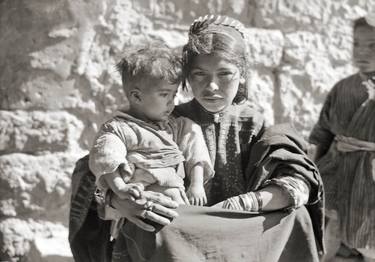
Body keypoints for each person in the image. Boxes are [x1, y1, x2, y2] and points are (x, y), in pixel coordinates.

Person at [69, 15, 324, 262]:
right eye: (199, 74)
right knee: (157, 227)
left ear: (242, 73)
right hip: (182, 233)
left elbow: (298, 184)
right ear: (186, 77)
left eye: (224, 74)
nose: (211, 86)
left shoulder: (255, 125)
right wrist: (119, 202)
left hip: (239, 231)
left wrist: (242, 204)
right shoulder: (162, 122)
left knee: (297, 217)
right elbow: (95, 172)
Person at [88, 45, 214, 238]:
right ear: (137, 96)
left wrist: (196, 183)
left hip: (177, 202)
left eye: (174, 95)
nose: (172, 102)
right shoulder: (120, 129)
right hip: (139, 204)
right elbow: (107, 159)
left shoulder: (175, 126)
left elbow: (194, 144)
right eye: (164, 95)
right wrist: (121, 189)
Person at [309, 16, 375, 262]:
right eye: (357, 44)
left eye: (372, 45)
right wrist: (312, 152)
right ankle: (331, 255)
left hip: (369, 171)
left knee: (367, 227)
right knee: (333, 218)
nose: (362, 52)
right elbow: (323, 130)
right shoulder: (343, 87)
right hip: (339, 164)